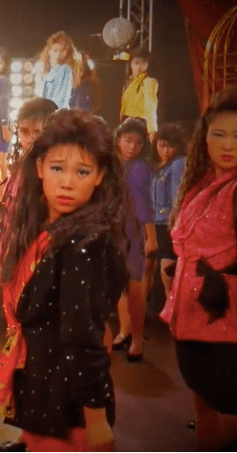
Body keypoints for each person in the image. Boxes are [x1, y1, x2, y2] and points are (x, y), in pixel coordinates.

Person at [0, 109, 129, 451]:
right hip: (40, 385)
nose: (67, 182)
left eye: (82, 171)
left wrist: (96, 420)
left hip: (64, 401)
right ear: (39, 168)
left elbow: (84, 338)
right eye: (57, 168)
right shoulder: (47, 227)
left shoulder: (86, 243)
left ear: (100, 176)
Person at [161, 87, 237, 451]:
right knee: (203, 405)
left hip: (227, 327)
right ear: (204, 137)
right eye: (218, 134)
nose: (228, 144)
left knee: (229, 413)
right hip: (189, 321)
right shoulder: (202, 183)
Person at [0, 98, 58, 287]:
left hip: (38, 242)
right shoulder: (23, 162)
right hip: (15, 238)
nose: (30, 138)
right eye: (24, 131)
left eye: (37, 132)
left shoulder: (55, 165)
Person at [112, 118, 156, 362]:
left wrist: (150, 237)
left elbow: (142, 203)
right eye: (128, 140)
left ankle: (136, 339)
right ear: (118, 139)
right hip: (114, 228)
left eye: (138, 143)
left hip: (132, 229)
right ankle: (125, 331)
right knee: (120, 285)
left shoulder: (139, 167)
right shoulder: (114, 164)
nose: (132, 147)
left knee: (135, 286)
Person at [150, 123, 187, 300]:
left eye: (170, 146)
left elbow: (177, 196)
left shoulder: (178, 163)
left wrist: (175, 220)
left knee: (167, 267)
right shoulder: (156, 165)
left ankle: (171, 303)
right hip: (153, 222)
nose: (165, 151)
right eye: (161, 145)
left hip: (168, 222)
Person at [120, 47, 158, 140]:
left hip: (140, 125)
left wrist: (152, 131)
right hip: (127, 123)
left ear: (147, 65)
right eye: (136, 63)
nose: (139, 67)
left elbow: (151, 108)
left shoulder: (148, 82)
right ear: (131, 64)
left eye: (143, 63)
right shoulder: (128, 82)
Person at [34, 31, 75, 110]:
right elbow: (38, 93)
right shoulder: (43, 68)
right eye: (55, 51)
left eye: (62, 50)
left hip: (57, 112)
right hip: (44, 111)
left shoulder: (65, 70)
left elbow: (60, 100)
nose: (58, 54)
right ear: (49, 51)